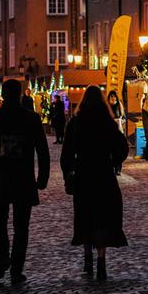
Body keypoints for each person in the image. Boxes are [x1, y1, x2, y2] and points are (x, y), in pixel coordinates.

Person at [0, 79, 50, 285]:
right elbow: (43, 151)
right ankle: (16, 269)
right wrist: (42, 177)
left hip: (0, 177)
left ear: (3, 94)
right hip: (23, 178)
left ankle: (2, 259)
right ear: (19, 94)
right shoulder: (31, 119)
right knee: (21, 226)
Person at [59, 85, 129, 280]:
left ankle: (87, 257)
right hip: (104, 175)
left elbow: (66, 154)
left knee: (86, 215)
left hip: (84, 175)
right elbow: (122, 148)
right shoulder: (107, 123)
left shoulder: (76, 122)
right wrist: (114, 162)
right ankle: (101, 260)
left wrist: (68, 173)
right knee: (103, 217)